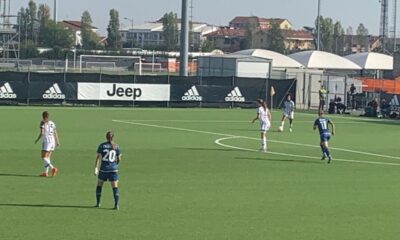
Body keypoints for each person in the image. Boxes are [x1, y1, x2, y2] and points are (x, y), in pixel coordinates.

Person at [94, 131, 122, 210]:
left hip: (104, 169)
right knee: (115, 187)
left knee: (99, 185)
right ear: (113, 137)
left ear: (106, 137)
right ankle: (116, 205)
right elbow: (119, 158)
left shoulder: (102, 146)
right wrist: (116, 164)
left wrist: (96, 168)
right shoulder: (116, 146)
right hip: (113, 170)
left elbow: (98, 157)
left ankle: (98, 203)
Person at [34, 111, 59, 177]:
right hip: (53, 141)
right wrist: (57, 142)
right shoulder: (52, 123)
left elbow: (42, 133)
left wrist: (37, 139)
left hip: (47, 141)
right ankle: (46, 173)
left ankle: (53, 168)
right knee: (48, 157)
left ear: (42, 116)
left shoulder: (42, 122)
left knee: (43, 157)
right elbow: (55, 133)